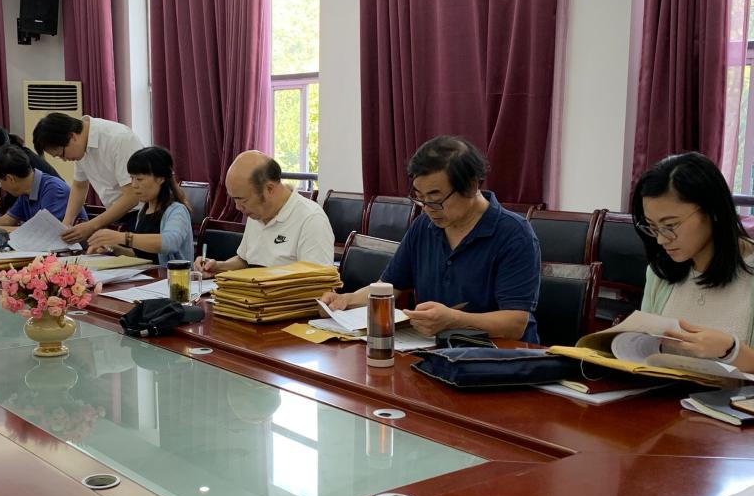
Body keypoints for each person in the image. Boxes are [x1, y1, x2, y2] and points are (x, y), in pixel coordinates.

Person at [321, 135, 541, 341]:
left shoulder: (514, 234)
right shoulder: (424, 226)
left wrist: (454, 319)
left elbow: (515, 323)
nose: (427, 208)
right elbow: (388, 286)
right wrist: (346, 300)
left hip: (499, 354)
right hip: (434, 348)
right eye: (420, 198)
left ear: (472, 186)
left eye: (435, 199)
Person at [632, 151, 754, 370]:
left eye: (670, 225)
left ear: (713, 211)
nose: (661, 239)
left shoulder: (749, 272)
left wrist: (731, 350)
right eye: (652, 226)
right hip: (663, 390)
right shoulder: (661, 271)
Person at [192, 150, 333, 274]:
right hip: (251, 293)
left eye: (243, 200)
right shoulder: (256, 213)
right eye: (234, 199)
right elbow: (246, 261)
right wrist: (218, 267)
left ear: (269, 189)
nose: (238, 207)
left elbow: (318, 283)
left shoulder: (311, 219)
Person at [33, 112, 144, 244]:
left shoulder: (119, 139)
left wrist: (91, 226)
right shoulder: (81, 145)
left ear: (72, 136)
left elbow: (132, 197)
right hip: (116, 215)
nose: (64, 159)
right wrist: (66, 224)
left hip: (142, 215)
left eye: (61, 154)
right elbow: (79, 186)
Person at [85, 146, 194, 266]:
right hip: (149, 274)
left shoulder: (177, 210)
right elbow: (141, 255)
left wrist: (123, 237)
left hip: (173, 276)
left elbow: (170, 243)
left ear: (160, 178)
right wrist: (113, 249)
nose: (134, 185)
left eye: (140, 179)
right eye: (132, 178)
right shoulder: (144, 210)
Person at [0, 144, 71, 228]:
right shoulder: (26, 192)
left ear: (10, 179)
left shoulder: (53, 190)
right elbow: (7, 220)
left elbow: (43, 231)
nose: (1, 187)